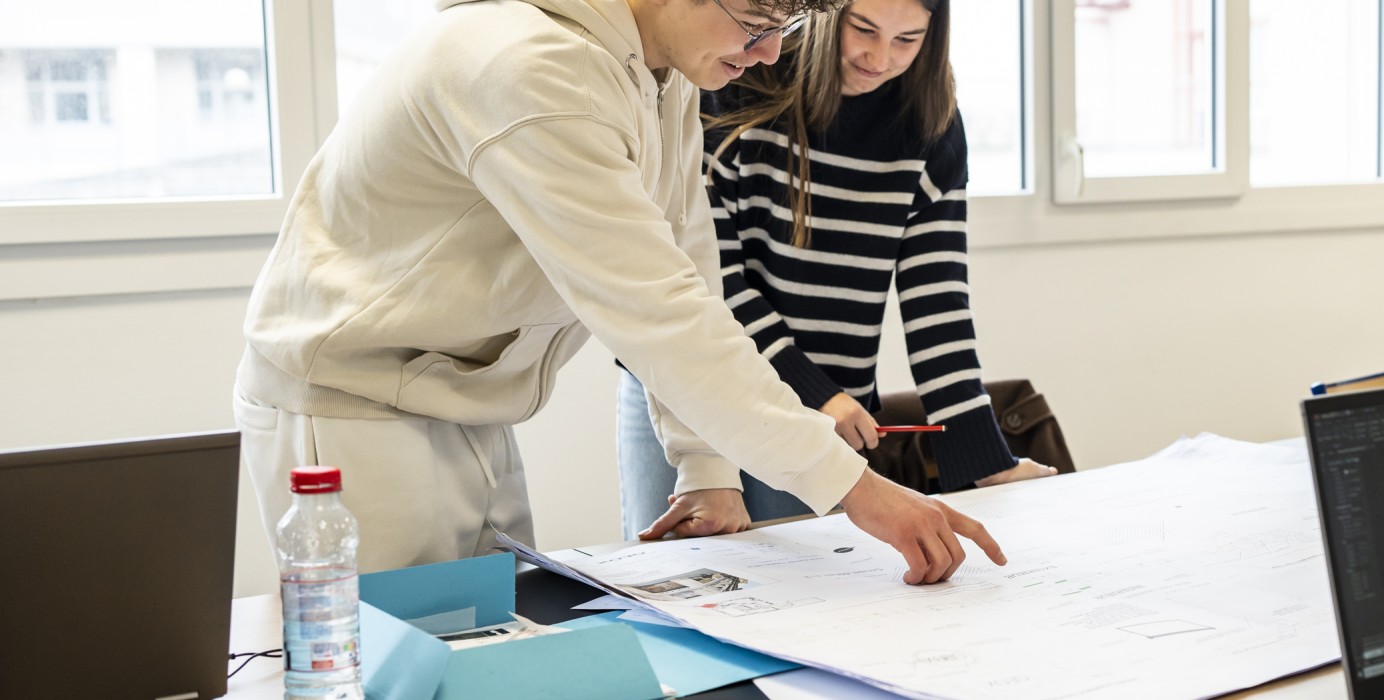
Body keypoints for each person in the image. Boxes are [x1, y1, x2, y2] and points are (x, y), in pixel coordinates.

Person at [234, 0, 1003, 586]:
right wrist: (855, 488)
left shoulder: (658, 73)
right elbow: (654, 311)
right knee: (387, 664)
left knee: (492, 647)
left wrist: (706, 465)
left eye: (786, 26)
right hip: (353, 406)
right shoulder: (533, 66)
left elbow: (689, 266)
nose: (770, 52)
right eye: (756, 23)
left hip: (462, 402)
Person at [614, 0, 1054, 536]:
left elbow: (938, 304)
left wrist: (984, 459)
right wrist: (815, 391)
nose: (879, 58)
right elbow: (709, 272)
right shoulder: (738, 76)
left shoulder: (932, 126)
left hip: (825, 420)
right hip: (688, 390)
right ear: (827, 14)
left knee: (802, 585)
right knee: (672, 574)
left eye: (907, 40)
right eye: (863, 29)